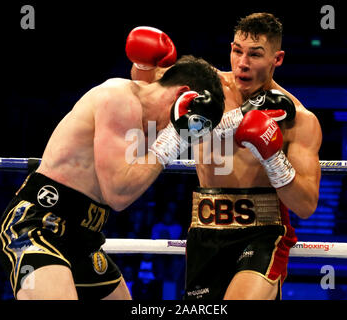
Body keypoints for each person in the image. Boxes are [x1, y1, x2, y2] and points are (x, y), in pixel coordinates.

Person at [0, 51, 225, 299]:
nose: (183, 130)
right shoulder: (119, 98)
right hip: (37, 224)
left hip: (84, 237)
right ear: (183, 96)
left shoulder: (151, 118)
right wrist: (174, 138)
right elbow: (117, 194)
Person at [129, 13, 322, 300]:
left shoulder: (299, 119)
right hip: (205, 230)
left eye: (255, 55)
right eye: (237, 51)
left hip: (263, 233)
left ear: (277, 59)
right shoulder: (205, 84)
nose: (243, 63)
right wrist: (143, 61)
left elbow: (306, 204)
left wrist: (272, 157)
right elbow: (142, 85)